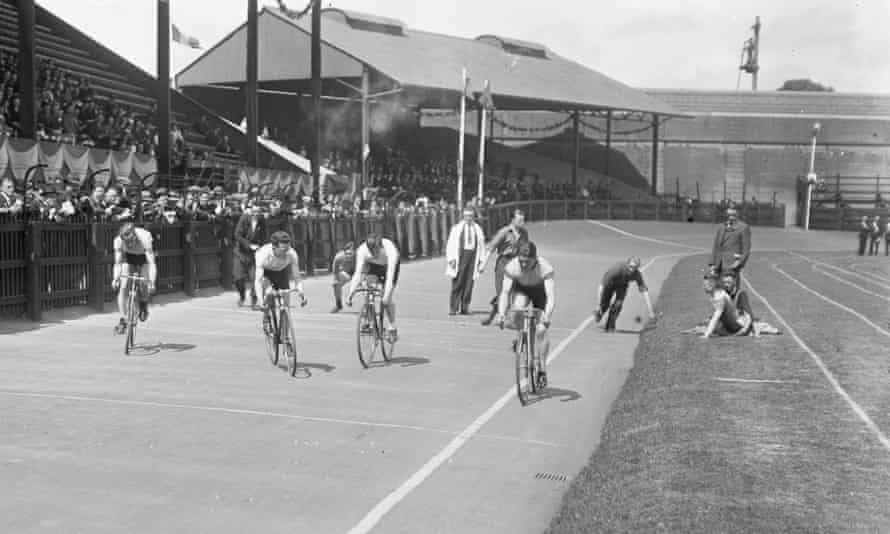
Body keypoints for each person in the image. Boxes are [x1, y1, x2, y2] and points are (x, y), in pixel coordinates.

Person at [494, 241, 554, 387]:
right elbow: (505, 292)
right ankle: (522, 336)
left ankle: (542, 369)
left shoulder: (545, 268)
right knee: (518, 308)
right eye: (521, 261)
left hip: (540, 291)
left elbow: (550, 296)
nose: (524, 264)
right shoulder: (512, 266)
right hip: (521, 289)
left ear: (535, 259)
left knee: (541, 331)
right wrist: (501, 314)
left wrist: (547, 316)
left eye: (528, 261)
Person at [478, 208, 528, 325]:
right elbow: (491, 248)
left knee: (515, 291)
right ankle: (499, 317)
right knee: (502, 291)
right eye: (519, 220)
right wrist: (483, 264)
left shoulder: (524, 233)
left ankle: (498, 316)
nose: (522, 223)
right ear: (513, 220)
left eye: (523, 220)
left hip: (517, 263)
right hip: (504, 263)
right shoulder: (504, 232)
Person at [346, 233, 401, 340]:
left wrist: (386, 296)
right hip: (373, 266)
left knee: (386, 300)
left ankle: (392, 325)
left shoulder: (390, 250)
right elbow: (357, 274)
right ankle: (372, 323)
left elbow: (390, 277)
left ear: (381, 247)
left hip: (388, 267)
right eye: (371, 251)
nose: (373, 253)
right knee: (368, 289)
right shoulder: (362, 250)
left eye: (376, 251)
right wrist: (350, 294)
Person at [253, 230, 308, 330]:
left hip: (281, 272)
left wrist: (301, 292)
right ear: (274, 247)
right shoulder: (263, 254)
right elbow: (258, 280)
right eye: (283, 250)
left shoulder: (292, 253)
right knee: (269, 292)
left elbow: (297, 276)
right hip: (266, 272)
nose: (286, 253)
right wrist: (260, 300)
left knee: (286, 301)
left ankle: (285, 334)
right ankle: (267, 314)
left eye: (288, 249)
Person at [112, 223, 157, 334]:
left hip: (144, 258)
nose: (130, 244)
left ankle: (143, 303)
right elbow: (118, 263)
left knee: (143, 283)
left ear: (135, 236)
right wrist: (116, 278)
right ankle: (123, 320)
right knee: (123, 286)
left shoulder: (145, 238)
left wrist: (151, 282)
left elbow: (151, 263)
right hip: (128, 258)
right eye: (127, 242)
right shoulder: (118, 241)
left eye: (131, 241)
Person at [595, 257, 655, 332]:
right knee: (604, 304)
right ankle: (599, 313)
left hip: (622, 285)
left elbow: (645, 292)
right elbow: (601, 287)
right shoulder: (617, 270)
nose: (632, 269)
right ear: (627, 264)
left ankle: (610, 324)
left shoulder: (637, 274)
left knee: (618, 305)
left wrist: (651, 312)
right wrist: (599, 304)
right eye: (631, 266)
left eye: (635, 267)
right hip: (610, 284)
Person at [444, 207, 486, 315]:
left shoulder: (477, 229)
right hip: (460, 257)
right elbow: (450, 244)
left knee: (469, 284)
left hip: (472, 258)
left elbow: (482, 246)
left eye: (471, 216)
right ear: (463, 216)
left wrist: (482, 261)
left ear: (473, 217)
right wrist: (451, 259)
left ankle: (465, 307)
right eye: (466, 216)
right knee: (458, 283)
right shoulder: (456, 228)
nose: (468, 218)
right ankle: (453, 308)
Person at [701, 273, 756, 338]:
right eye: (724, 283)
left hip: (738, 325)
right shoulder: (721, 293)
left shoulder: (740, 294)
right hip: (730, 323)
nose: (726, 285)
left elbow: (748, 314)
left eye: (728, 282)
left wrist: (706, 334)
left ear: (734, 282)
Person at [233, 203, 266, 307]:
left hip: (254, 255)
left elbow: (264, 236)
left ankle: (254, 299)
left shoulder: (262, 221)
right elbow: (237, 235)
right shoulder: (244, 219)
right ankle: (242, 296)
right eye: (254, 211)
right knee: (238, 278)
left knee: (255, 278)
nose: (256, 214)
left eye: (258, 212)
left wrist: (260, 247)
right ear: (250, 211)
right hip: (241, 253)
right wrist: (249, 245)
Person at [710, 207, 751, 285]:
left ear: (737, 213)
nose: (731, 216)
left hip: (732, 264)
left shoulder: (743, 227)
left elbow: (746, 249)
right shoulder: (721, 227)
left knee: (730, 287)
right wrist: (712, 263)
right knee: (717, 287)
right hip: (718, 263)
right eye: (729, 213)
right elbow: (716, 246)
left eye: (733, 213)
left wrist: (739, 262)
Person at [330, 241, 356, 313]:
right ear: (344, 252)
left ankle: (369, 306)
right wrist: (337, 281)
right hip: (347, 272)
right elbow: (335, 271)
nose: (348, 256)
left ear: (354, 252)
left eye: (350, 254)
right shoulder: (339, 257)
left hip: (359, 273)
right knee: (335, 283)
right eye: (347, 254)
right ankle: (338, 304)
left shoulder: (359, 256)